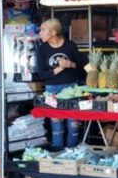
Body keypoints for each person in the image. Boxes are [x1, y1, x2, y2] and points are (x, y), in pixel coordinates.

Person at [36, 18, 87, 150]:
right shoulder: (42, 49)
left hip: (72, 89)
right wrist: (61, 67)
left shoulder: (70, 45)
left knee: (73, 123)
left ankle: (73, 152)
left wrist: (70, 64)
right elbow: (42, 75)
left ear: (53, 32)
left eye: (43, 30)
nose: (40, 33)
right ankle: (58, 152)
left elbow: (82, 69)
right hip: (52, 90)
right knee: (56, 123)